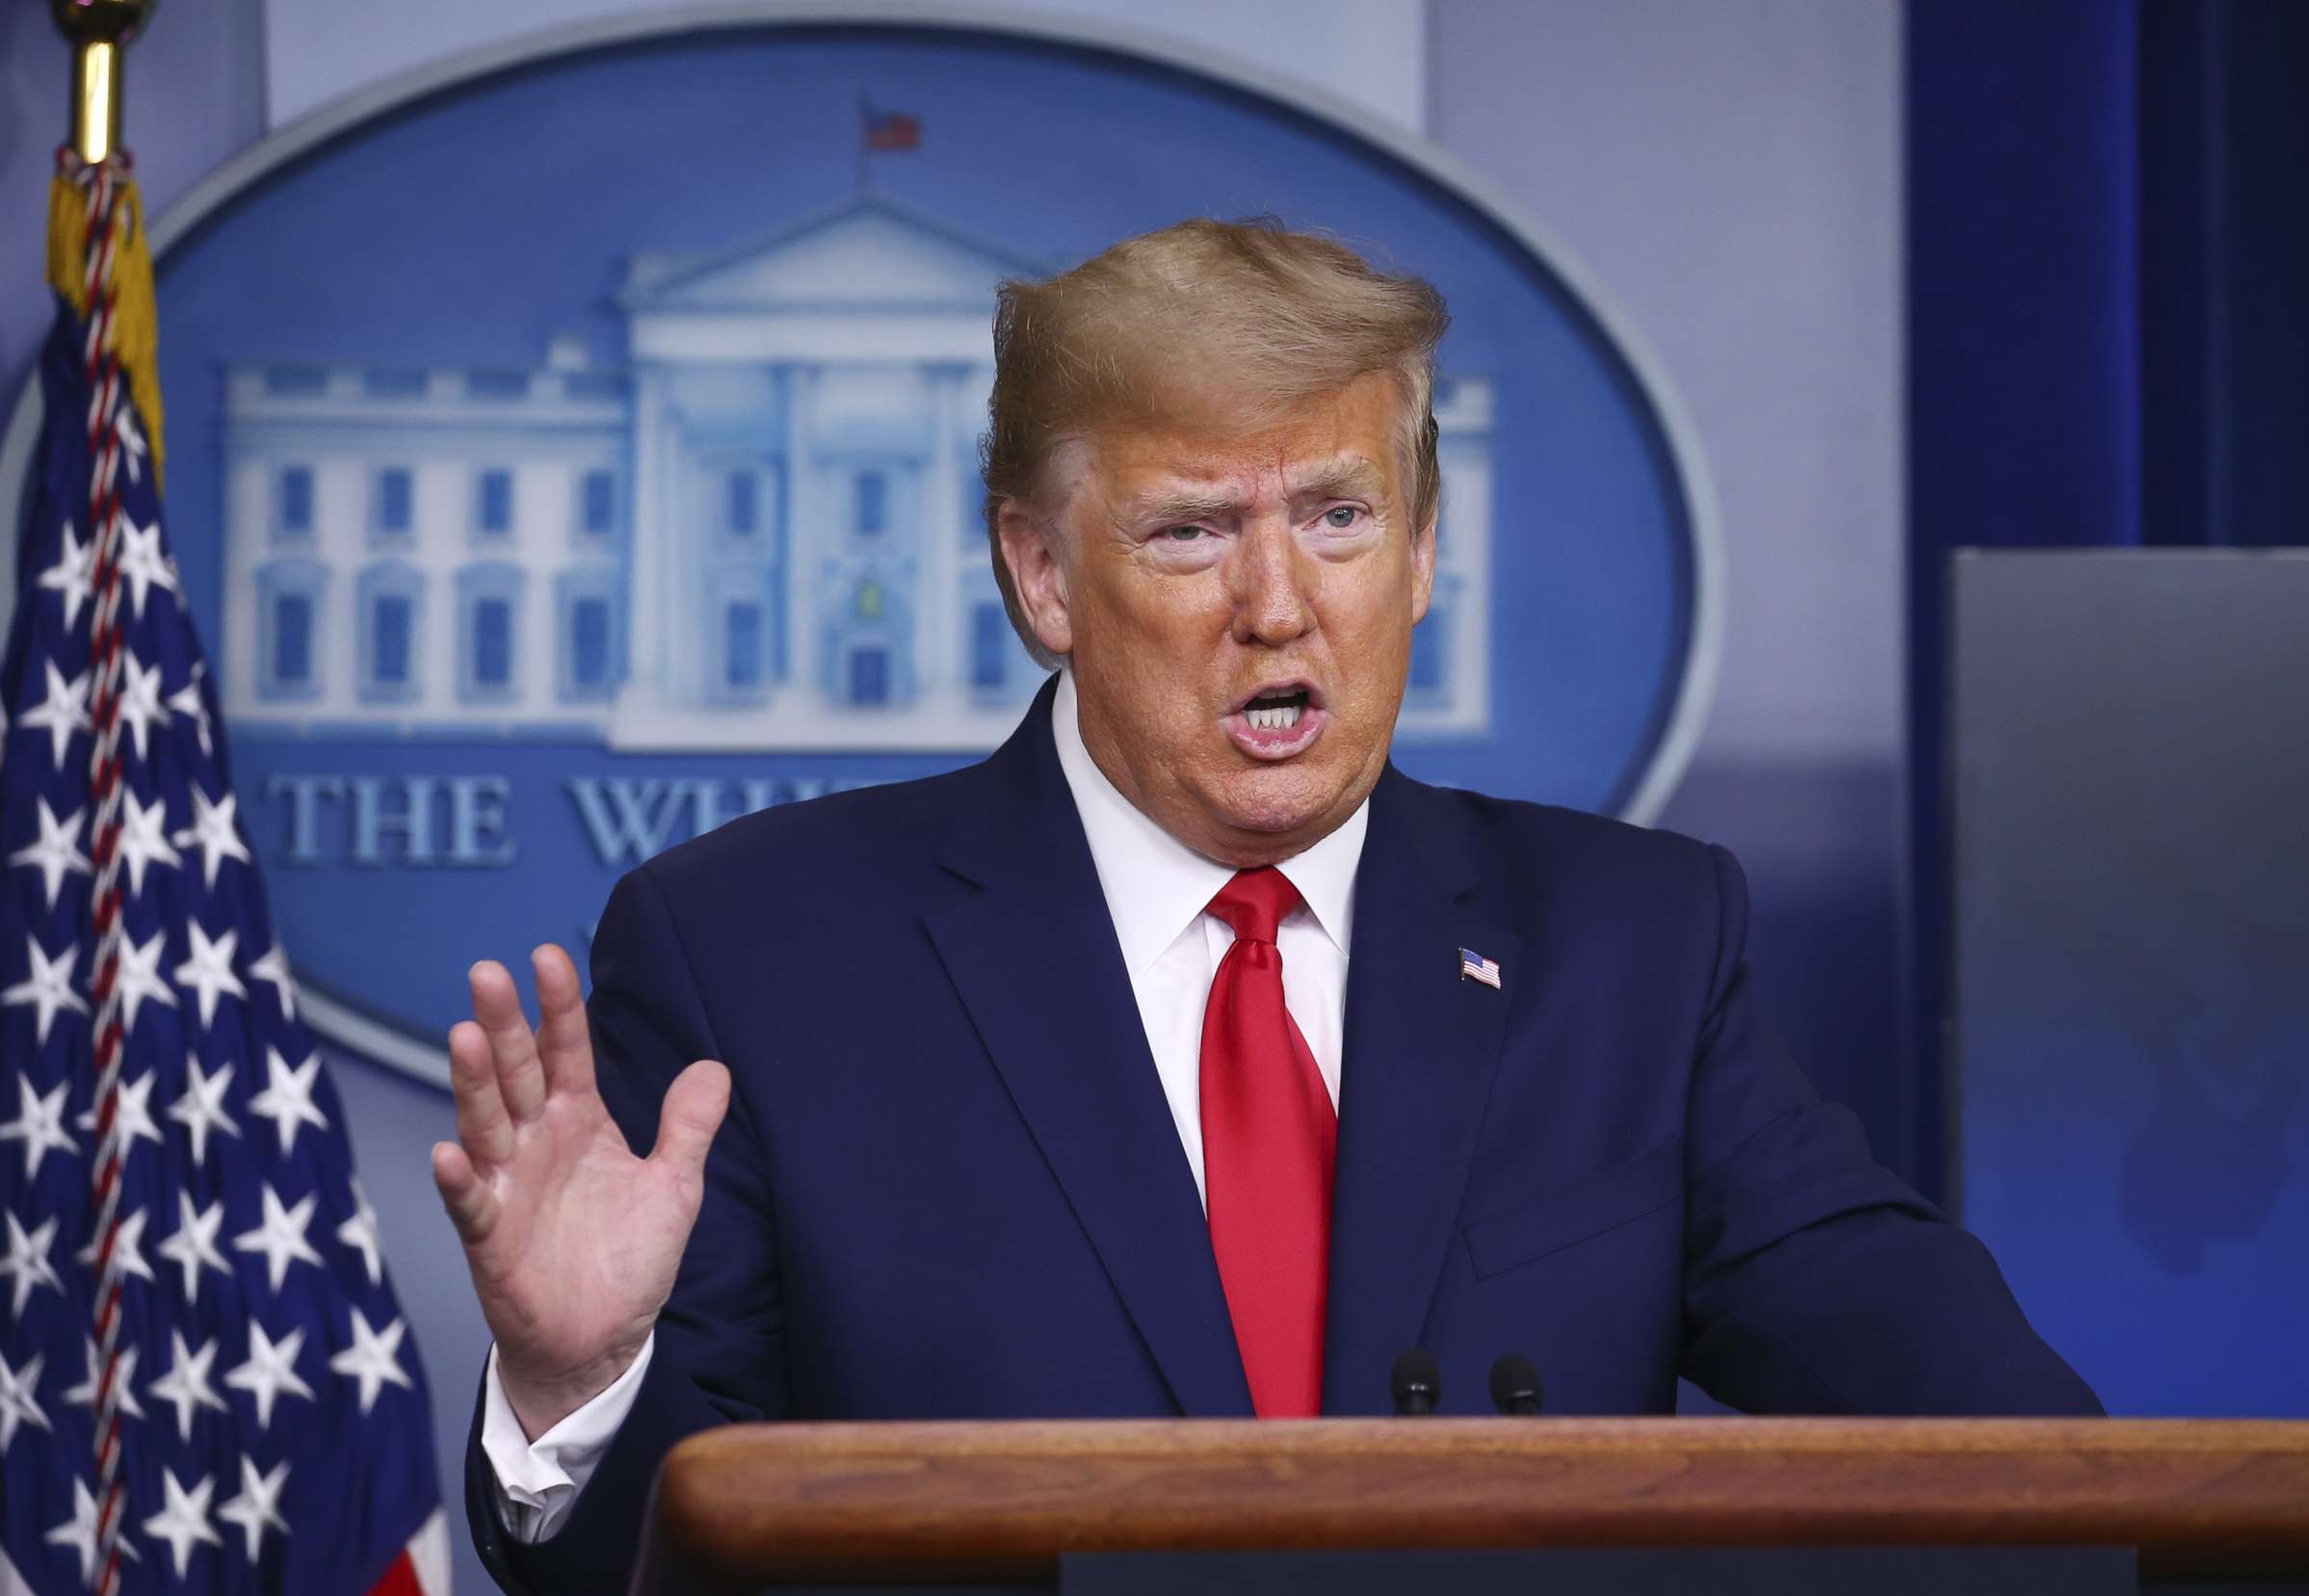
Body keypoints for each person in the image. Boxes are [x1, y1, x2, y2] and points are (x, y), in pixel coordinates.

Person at [433, 219, 2099, 1592]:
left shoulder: (1634, 950)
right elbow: (643, 1574)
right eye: (1190, 530)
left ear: (1426, 546)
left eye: (1338, 515)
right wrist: (579, 1384)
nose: (1278, 604)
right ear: (1040, 574)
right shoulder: (758, 956)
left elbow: (1995, 1436)